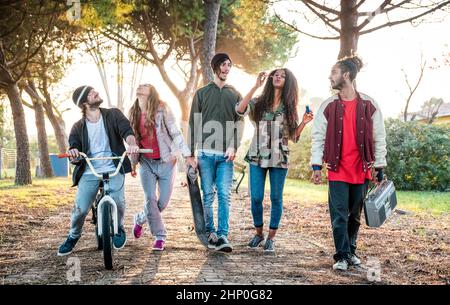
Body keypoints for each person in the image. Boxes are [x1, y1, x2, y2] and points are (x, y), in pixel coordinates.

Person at [310, 56, 387, 270]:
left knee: (355, 215)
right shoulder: (328, 106)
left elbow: (379, 136)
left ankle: (351, 250)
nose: (329, 77)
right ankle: (342, 256)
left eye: (333, 73)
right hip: (337, 169)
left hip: (361, 169)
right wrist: (316, 165)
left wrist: (379, 167)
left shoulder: (369, 104)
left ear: (346, 75)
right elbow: (318, 137)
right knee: (339, 215)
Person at [236, 68, 313, 253]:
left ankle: (271, 238)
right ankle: (258, 233)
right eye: (276, 74)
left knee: (276, 198)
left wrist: (303, 122)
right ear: (271, 78)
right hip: (257, 155)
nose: (278, 76)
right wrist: (255, 86)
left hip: (280, 158)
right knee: (256, 198)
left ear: (288, 82)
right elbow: (239, 109)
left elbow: (293, 136)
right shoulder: (259, 102)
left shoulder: (289, 107)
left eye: (283, 75)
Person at [57, 85, 139, 256]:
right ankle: (73, 236)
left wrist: (131, 144)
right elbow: (75, 150)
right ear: (84, 102)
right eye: (90, 93)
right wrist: (74, 154)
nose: (96, 92)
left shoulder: (113, 114)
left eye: (94, 90)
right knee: (80, 209)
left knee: (118, 201)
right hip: (90, 170)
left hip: (114, 167)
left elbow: (127, 131)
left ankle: (118, 227)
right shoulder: (77, 127)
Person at [129, 84, 196, 251]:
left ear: (151, 92)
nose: (141, 86)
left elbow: (175, 132)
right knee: (150, 199)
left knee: (162, 203)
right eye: (140, 85)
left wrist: (187, 156)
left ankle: (139, 219)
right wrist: (132, 163)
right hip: (147, 163)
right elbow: (131, 140)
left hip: (167, 161)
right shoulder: (133, 112)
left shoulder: (162, 108)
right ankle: (160, 235)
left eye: (145, 86)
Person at [188, 53, 244, 252]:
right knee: (208, 195)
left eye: (229, 65)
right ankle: (210, 233)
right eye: (223, 64)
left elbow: (240, 121)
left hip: (225, 156)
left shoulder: (235, 94)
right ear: (215, 67)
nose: (226, 68)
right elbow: (193, 123)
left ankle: (223, 235)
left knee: (224, 194)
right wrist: (190, 156)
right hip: (204, 153)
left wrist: (234, 145)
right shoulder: (202, 93)